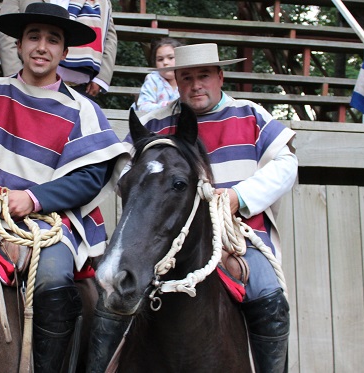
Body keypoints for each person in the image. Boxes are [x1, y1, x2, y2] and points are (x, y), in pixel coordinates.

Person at [0, 3, 129, 372]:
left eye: (52, 40)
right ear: (19, 45)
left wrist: (34, 198)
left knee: (53, 281)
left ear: (64, 52)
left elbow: (90, 178)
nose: (42, 47)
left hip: (49, 224)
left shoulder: (84, 110)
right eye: (33, 37)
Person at [88, 43, 297, 373]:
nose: (196, 85)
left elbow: (286, 165)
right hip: (163, 239)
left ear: (220, 76)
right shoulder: (155, 122)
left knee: (267, 294)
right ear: (176, 81)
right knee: (112, 295)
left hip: (238, 237)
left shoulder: (251, 114)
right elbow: (126, 171)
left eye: (204, 76)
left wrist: (237, 197)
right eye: (187, 78)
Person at [0, 0, 118, 101]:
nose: (42, 47)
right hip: (27, 83)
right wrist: (16, 75)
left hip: (80, 87)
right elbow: (5, 34)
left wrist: (100, 78)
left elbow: (108, 35)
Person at [133, 37, 182, 112]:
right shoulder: (153, 79)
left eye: (171, 58)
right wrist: (167, 106)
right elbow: (143, 107)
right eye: (160, 59)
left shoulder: (187, 79)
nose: (165, 62)